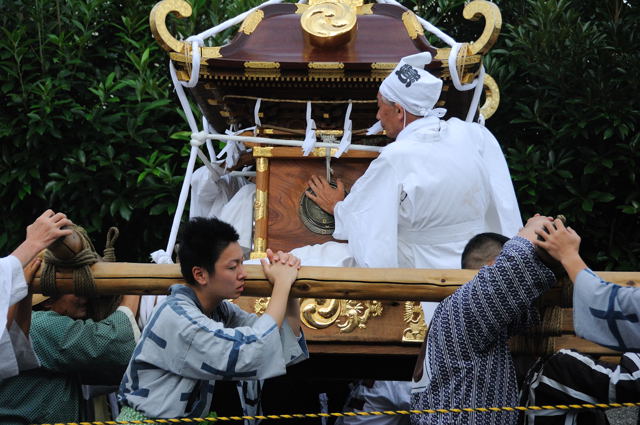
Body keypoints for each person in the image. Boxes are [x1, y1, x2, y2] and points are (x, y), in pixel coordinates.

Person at [304, 51, 522, 324]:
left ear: (399, 111)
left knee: (311, 258)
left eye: (380, 106)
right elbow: (503, 201)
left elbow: (365, 219)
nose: (377, 115)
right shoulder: (473, 135)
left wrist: (337, 207)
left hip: (423, 269)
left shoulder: (397, 158)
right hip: (482, 262)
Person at [117, 217, 308, 420]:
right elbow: (254, 348)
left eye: (242, 263)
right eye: (233, 267)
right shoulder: (176, 317)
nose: (243, 274)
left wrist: (290, 287)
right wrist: (281, 284)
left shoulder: (219, 310)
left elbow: (278, 339)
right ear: (200, 275)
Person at [410, 215, 557, 425]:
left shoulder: (461, 312)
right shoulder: (465, 308)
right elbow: (517, 261)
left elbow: (528, 310)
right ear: (494, 266)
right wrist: (535, 225)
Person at [520, 218, 640, 424]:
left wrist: (568, 255)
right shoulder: (561, 367)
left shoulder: (563, 366)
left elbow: (616, 306)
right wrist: (568, 256)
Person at [0, 291, 140, 424]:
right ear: (48, 301)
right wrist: (132, 292)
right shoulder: (38, 325)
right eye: (74, 290)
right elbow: (108, 343)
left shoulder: (24, 325)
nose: (85, 297)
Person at [1, 209, 73, 380]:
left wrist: (24, 290)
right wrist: (32, 244)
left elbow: (14, 342)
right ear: (48, 300)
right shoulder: (50, 325)